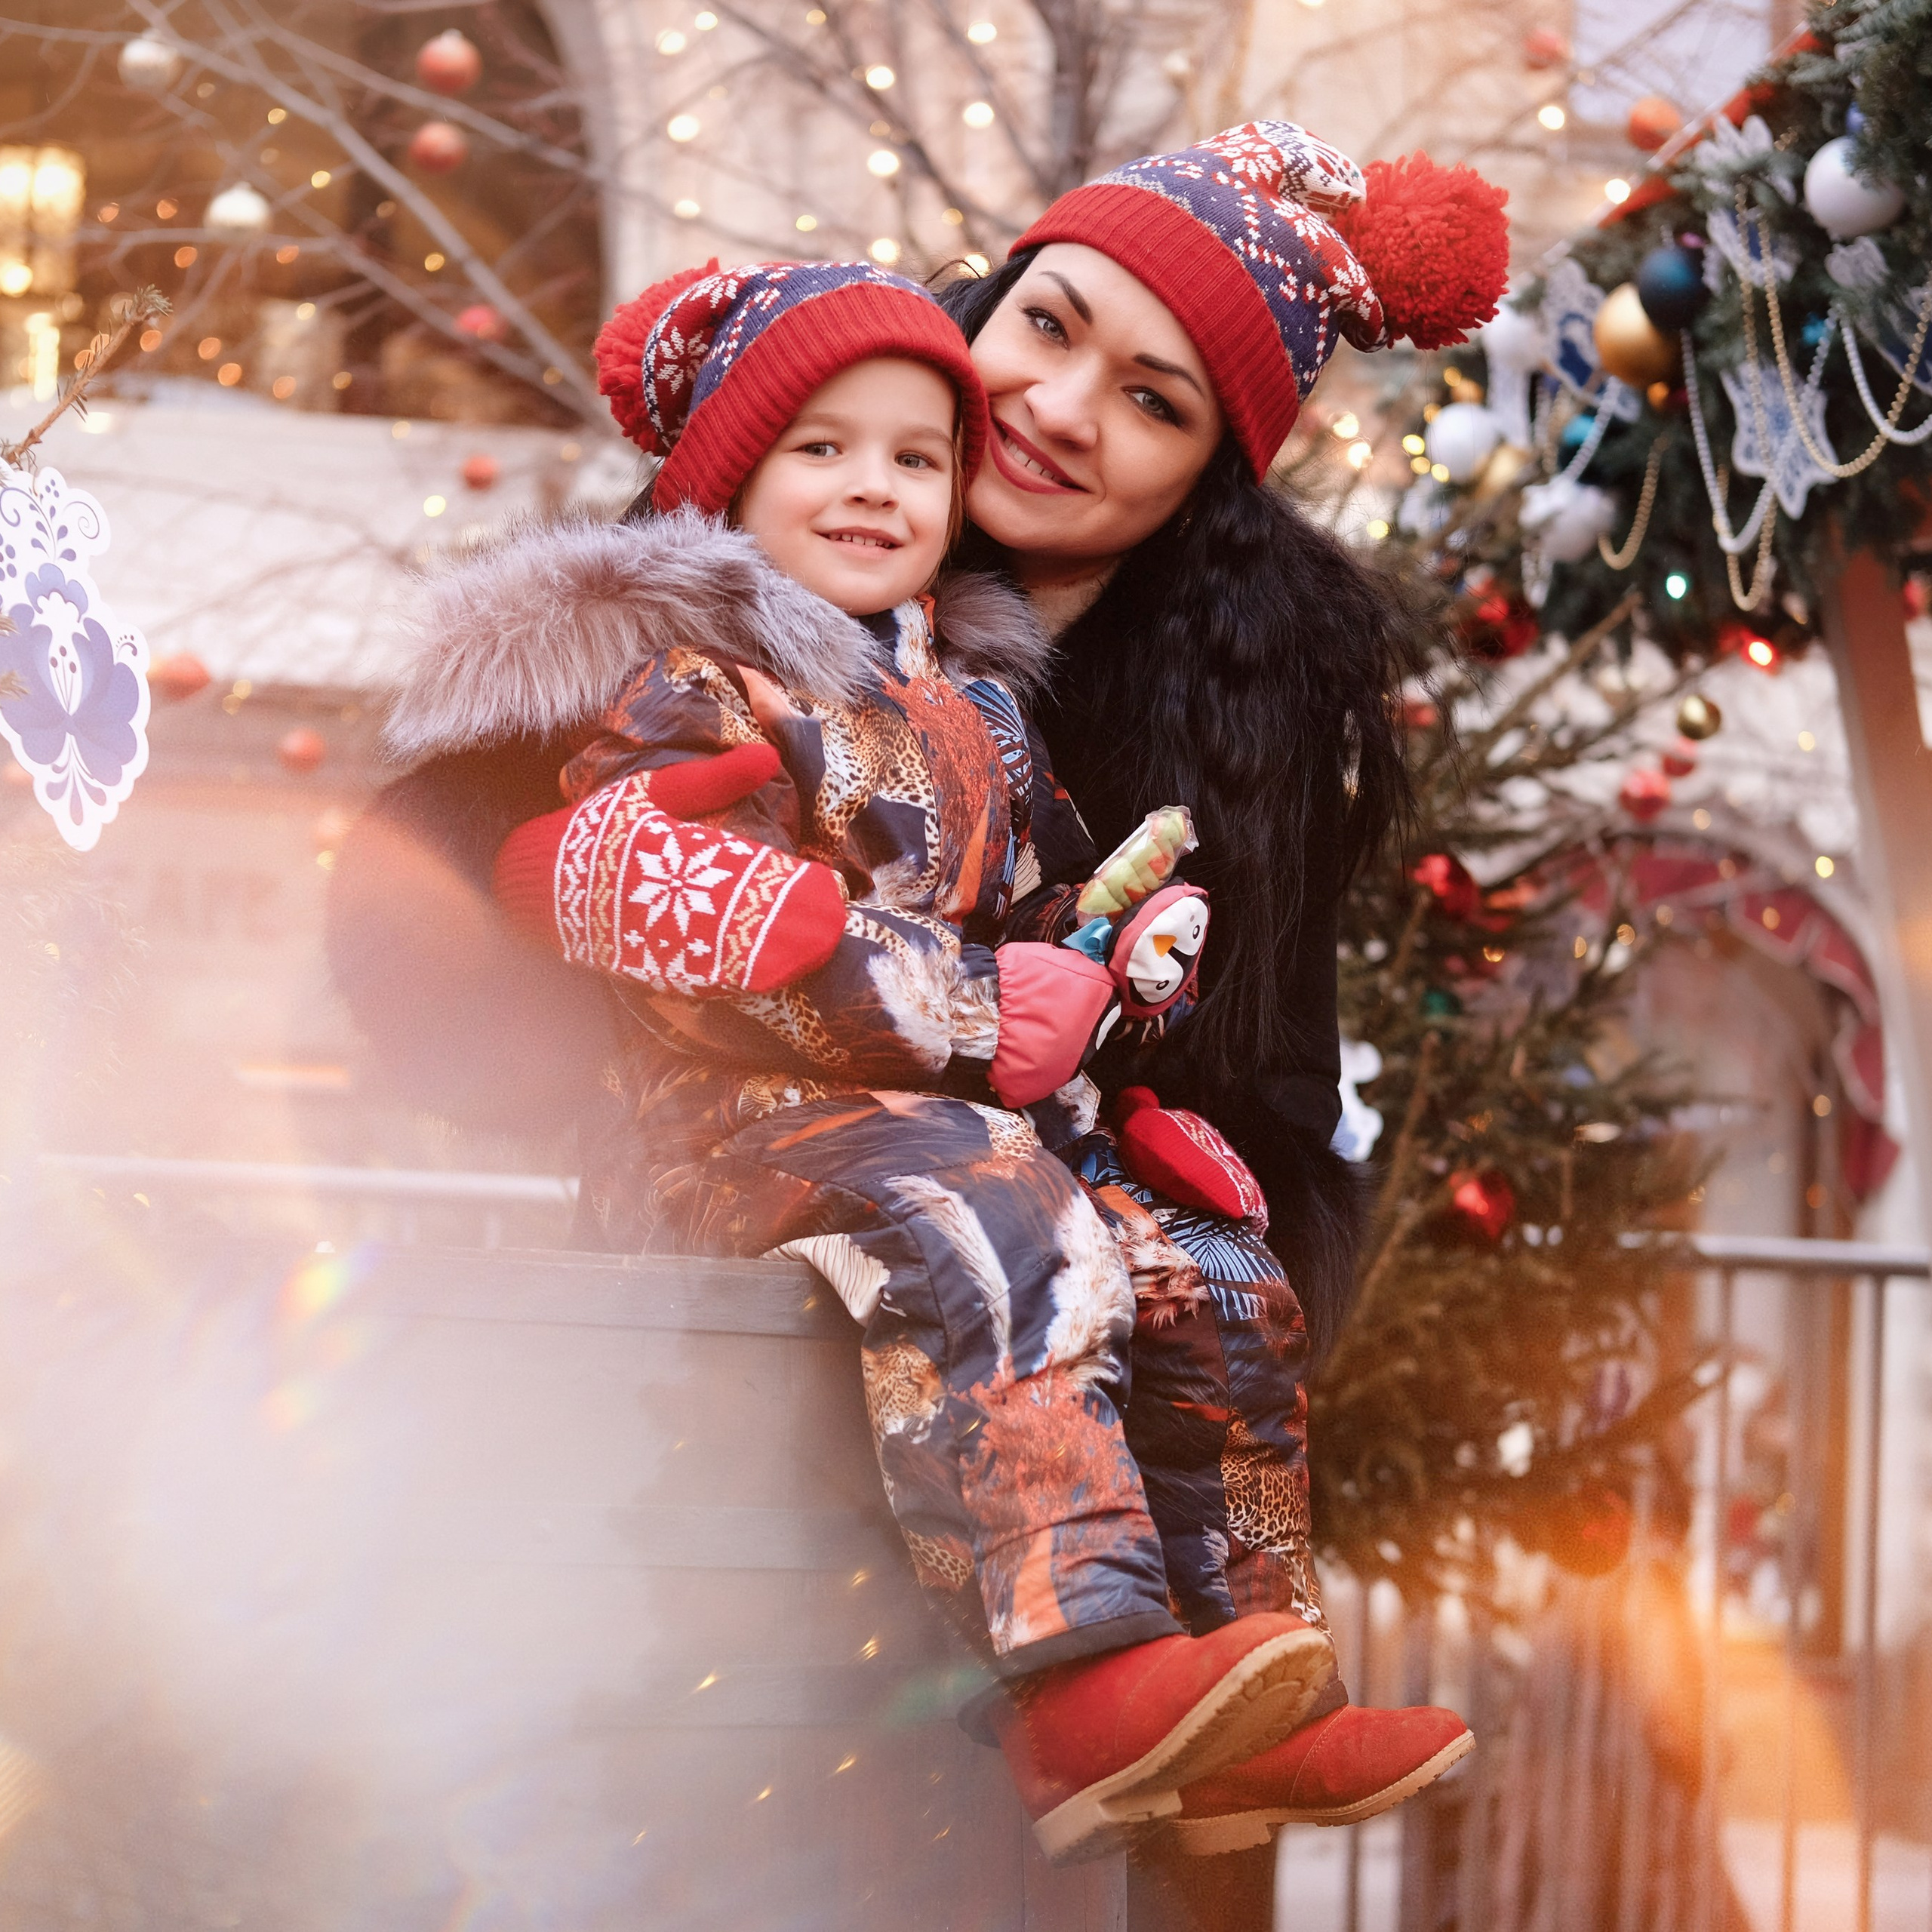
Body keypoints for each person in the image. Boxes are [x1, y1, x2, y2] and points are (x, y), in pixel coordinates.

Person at [347, 256, 1338, 1865]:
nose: (873, 486)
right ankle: (1077, 1661)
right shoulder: (694, 682)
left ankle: (1250, 1657)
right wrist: (968, 1007)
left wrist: (1121, 975)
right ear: (733, 477)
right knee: (995, 1216)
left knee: (1204, 1263)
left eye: (911, 459)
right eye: (822, 450)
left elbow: (1044, 910)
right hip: (735, 1127)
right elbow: (725, 937)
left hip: (932, 1119)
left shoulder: (979, 707)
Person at [929, 118, 1512, 1850]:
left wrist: (1153, 1189)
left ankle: (1244, 1680)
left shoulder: (1233, 723)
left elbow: (1261, 1086)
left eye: (1152, 400)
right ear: (989, 301)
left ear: (1202, 474)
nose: (1055, 404)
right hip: (775, 1272)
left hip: (1085, 1322)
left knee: (1216, 1269)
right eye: (1047, 325)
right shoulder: (797, 510)